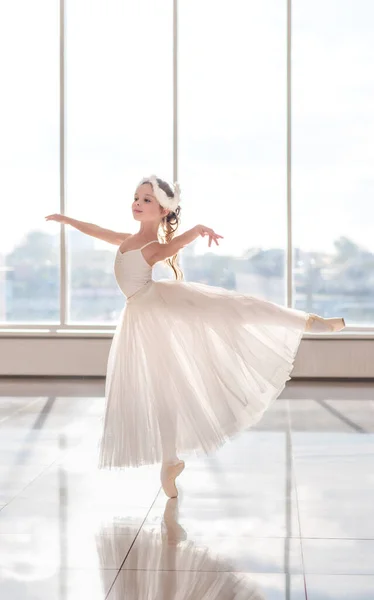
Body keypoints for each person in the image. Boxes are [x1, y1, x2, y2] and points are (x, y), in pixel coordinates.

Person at [45, 174, 345, 498]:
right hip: (141, 316)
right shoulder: (127, 240)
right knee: (163, 390)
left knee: (234, 308)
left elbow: (174, 245)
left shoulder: (152, 247)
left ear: (162, 211)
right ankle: (170, 460)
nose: (138, 203)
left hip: (157, 308)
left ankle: (308, 322)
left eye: (147, 200)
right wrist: (67, 220)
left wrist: (198, 229)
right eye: (136, 197)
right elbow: (97, 231)